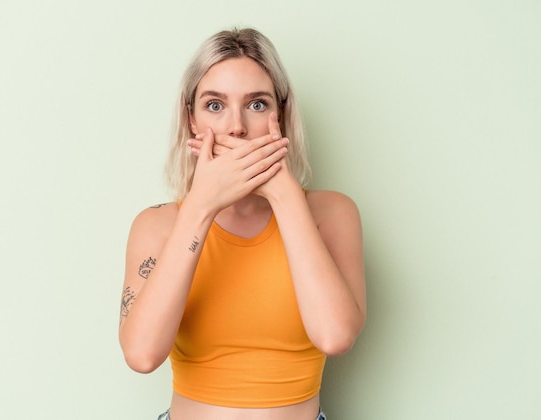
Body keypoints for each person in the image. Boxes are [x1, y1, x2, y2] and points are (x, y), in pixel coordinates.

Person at [118, 27, 366, 420]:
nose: (236, 128)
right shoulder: (157, 225)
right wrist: (200, 206)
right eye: (214, 105)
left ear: (280, 115)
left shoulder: (332, 214)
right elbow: (142, 354)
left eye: (256, 104)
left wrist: (283, 194)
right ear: (192, 121)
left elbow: (335, 336)